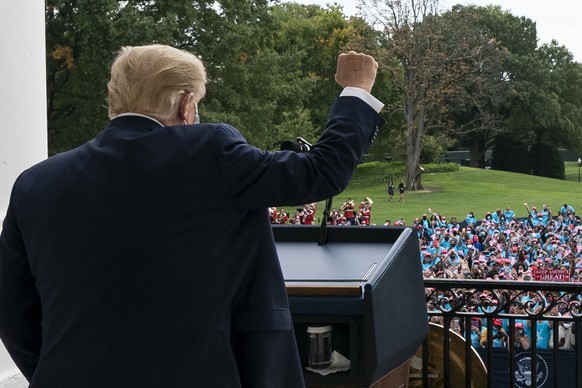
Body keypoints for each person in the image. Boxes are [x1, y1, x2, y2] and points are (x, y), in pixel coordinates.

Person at [0, 45, 384, 387]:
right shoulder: (209, 152)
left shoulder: (36, 183)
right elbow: (322, 171)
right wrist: (357, 89)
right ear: (186, 104)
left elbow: (13, 309)